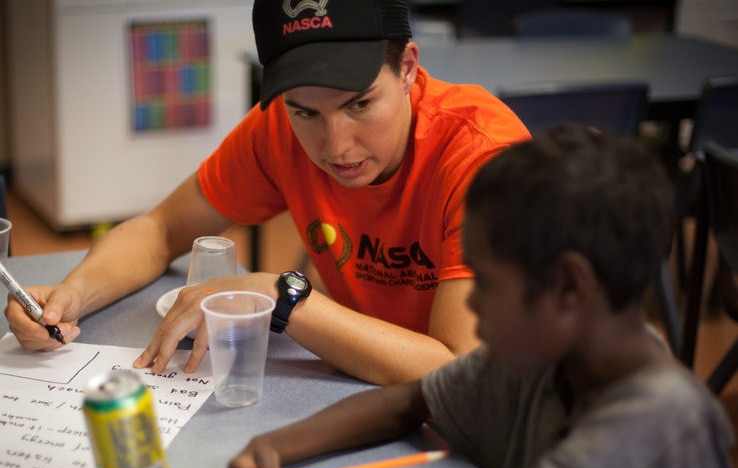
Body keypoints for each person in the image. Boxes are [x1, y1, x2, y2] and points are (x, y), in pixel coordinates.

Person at [98, 124, 733, 468]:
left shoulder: (641, 442)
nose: (472, 304)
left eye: (485, 280)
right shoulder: (559, 354)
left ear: (569, 286)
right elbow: (414, 398)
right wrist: (274, 446)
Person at [4, 0, 529, 386]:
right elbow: (161, 229)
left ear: (409, 67)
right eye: (306, 112)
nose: (337, 145)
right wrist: (73, 295)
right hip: (359, 383)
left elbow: (461, 371)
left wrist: (285, 296)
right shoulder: (276, 129)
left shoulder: (482, 157)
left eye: (361, 105)